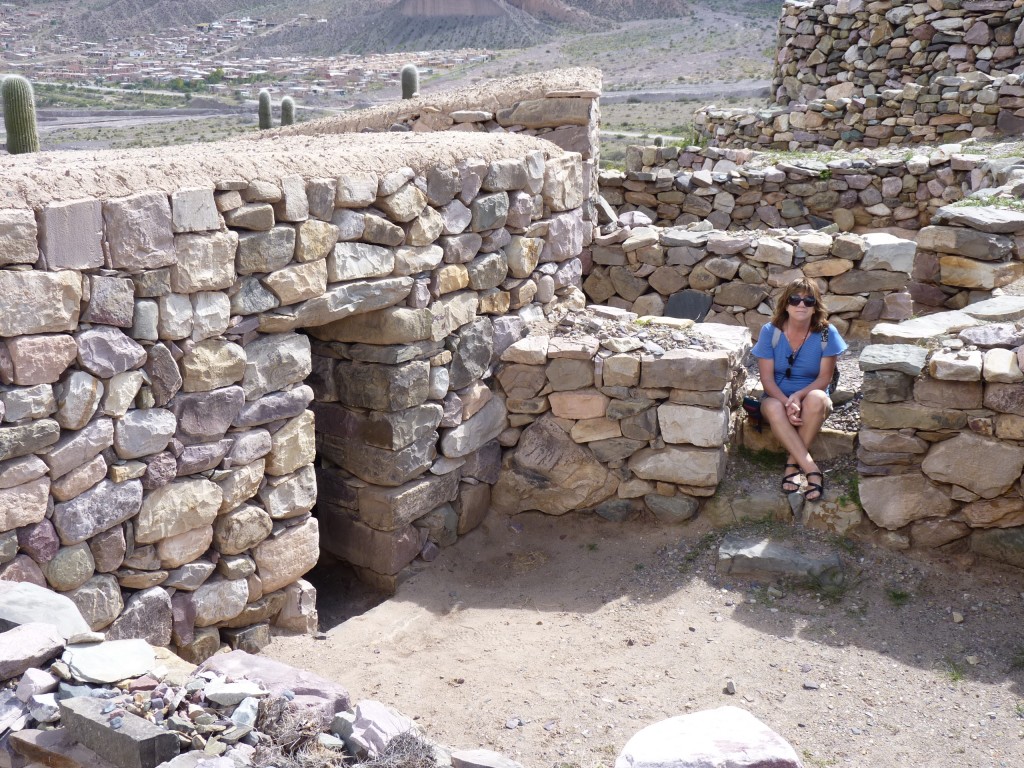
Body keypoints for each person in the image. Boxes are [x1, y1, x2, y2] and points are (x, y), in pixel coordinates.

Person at [750, 278, 848, 502]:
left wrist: (798, 397)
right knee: (774, 408)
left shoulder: (825, 332)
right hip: (776, 398)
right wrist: (787, 402)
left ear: (816, 306)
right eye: (795, 299)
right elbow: (766, 379)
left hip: (811, 397)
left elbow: (825, 377)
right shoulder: (771, 331)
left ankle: (792, 467)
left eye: (808, 300)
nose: (801, 305)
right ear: (786, 304)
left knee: (816, 398)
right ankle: (812, 469)